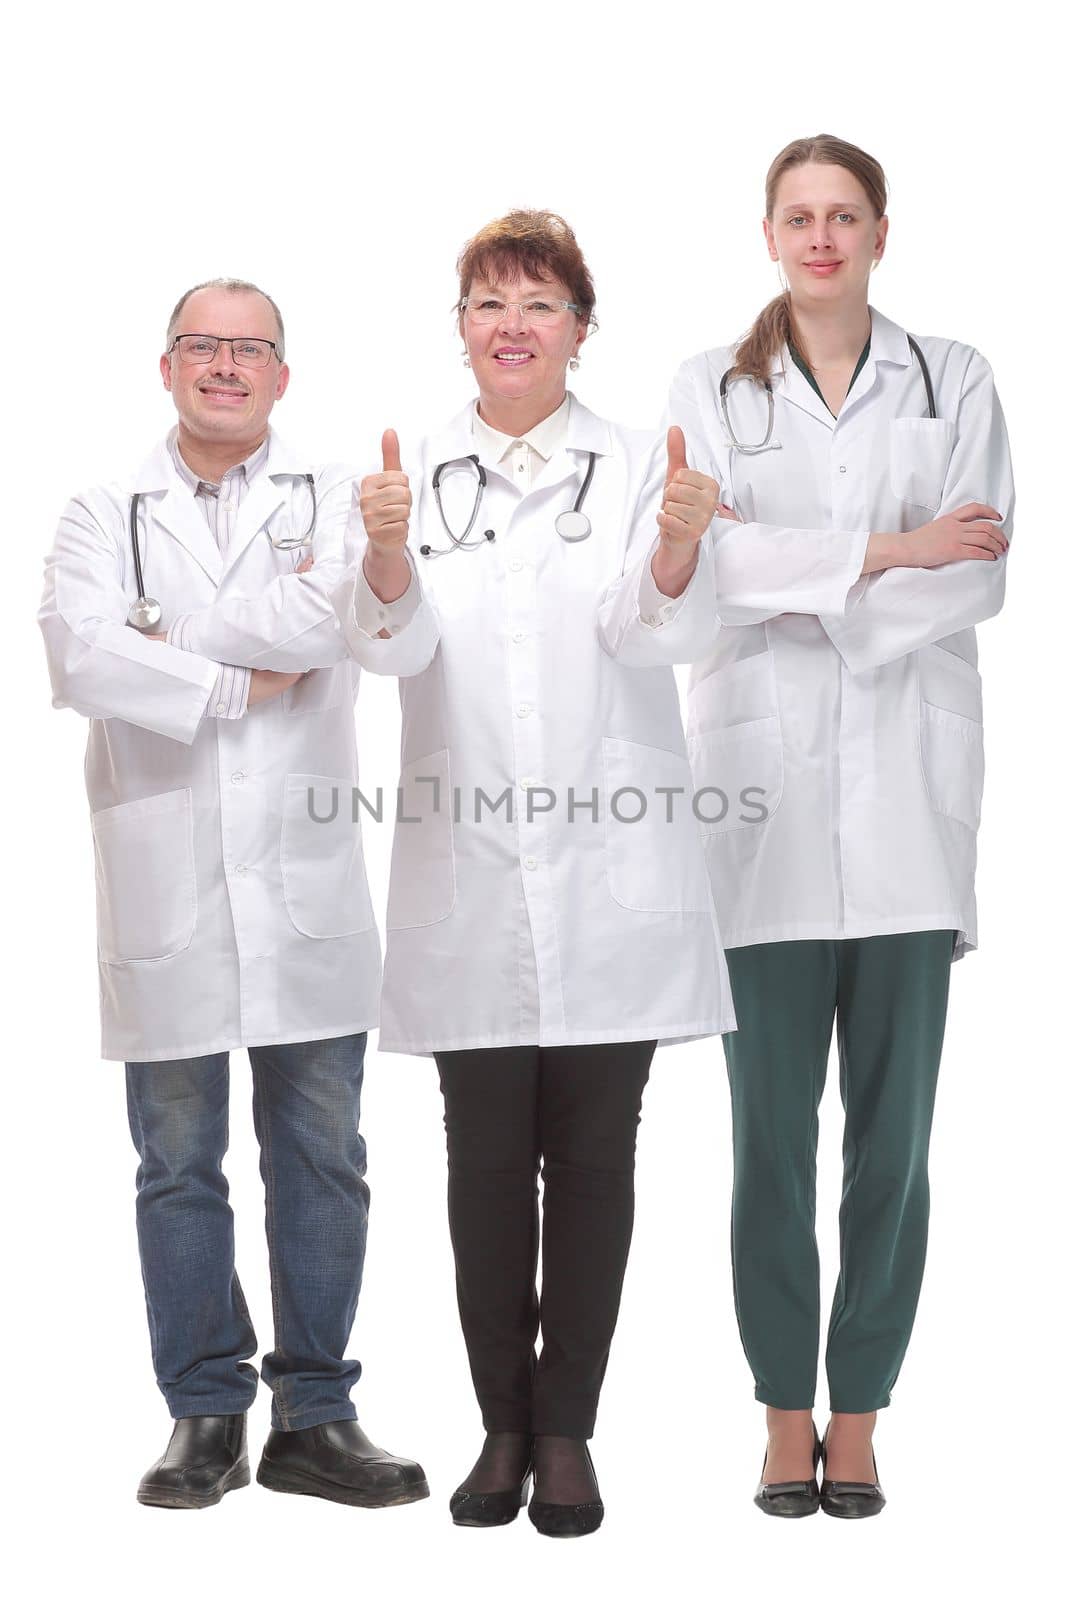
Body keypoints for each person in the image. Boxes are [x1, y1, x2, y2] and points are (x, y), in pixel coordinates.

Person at [332, 211, 734, 1537]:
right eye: (488, 302)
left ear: (578, 328)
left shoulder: (635, 465)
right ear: (459, 327)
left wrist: (676, 538)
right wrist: (385, 553)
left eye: (539, 303)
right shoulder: (410, 474)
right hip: (468, 875)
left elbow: (647, 626)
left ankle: (567, 1433)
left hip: (609, 868)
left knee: (597, 1163)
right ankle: (499, 1423)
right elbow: (388, 654)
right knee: (485, 1167)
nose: (511, 323)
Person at [665, 135, 1013, 1518]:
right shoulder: (707, 387)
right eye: (797, 217)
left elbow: (976, 570)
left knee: (895, 1141)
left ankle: (856, 1409)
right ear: (766, 234)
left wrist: (798, 588)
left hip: (907, 819)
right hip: (757, 821)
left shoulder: (956, 377)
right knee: (766, 1145)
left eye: (842, 216)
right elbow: (704, 568)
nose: (820, 238)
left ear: (879, 231)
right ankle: (775, 1407)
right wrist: (879, 553)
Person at [39, 277, 426, 1511]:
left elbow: (345, 623)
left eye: (248, 348)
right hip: (168, 893)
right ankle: (203, 1412)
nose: (224, 364)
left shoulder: (337, 503)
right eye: (201, 346)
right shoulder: (104, 511)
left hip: (304, 885)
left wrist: (178, 639)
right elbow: (79, 654)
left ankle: (316, 1415)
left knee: (324, 1156)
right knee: (176, 1161)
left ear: (281, 376)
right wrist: (224, 676)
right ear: (166, 368)